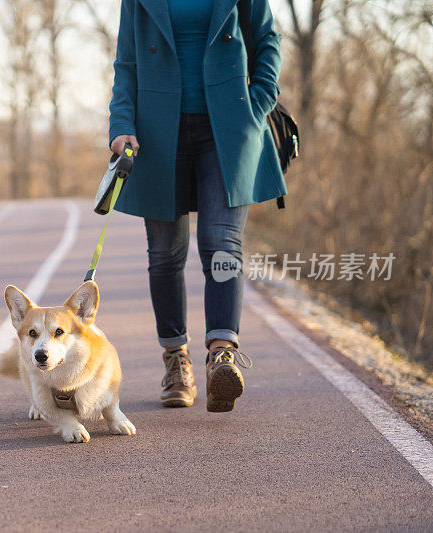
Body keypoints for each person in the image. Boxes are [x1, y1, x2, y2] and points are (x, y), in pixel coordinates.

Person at [108, 0, 286, 412]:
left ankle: (222, 354)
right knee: (165, 254)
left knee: (221, 241)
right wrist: (121, 125)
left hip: (228, 128)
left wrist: (256, 108)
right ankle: (176, 360)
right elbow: (127, 62)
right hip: (157, 130)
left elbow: (268, 43)